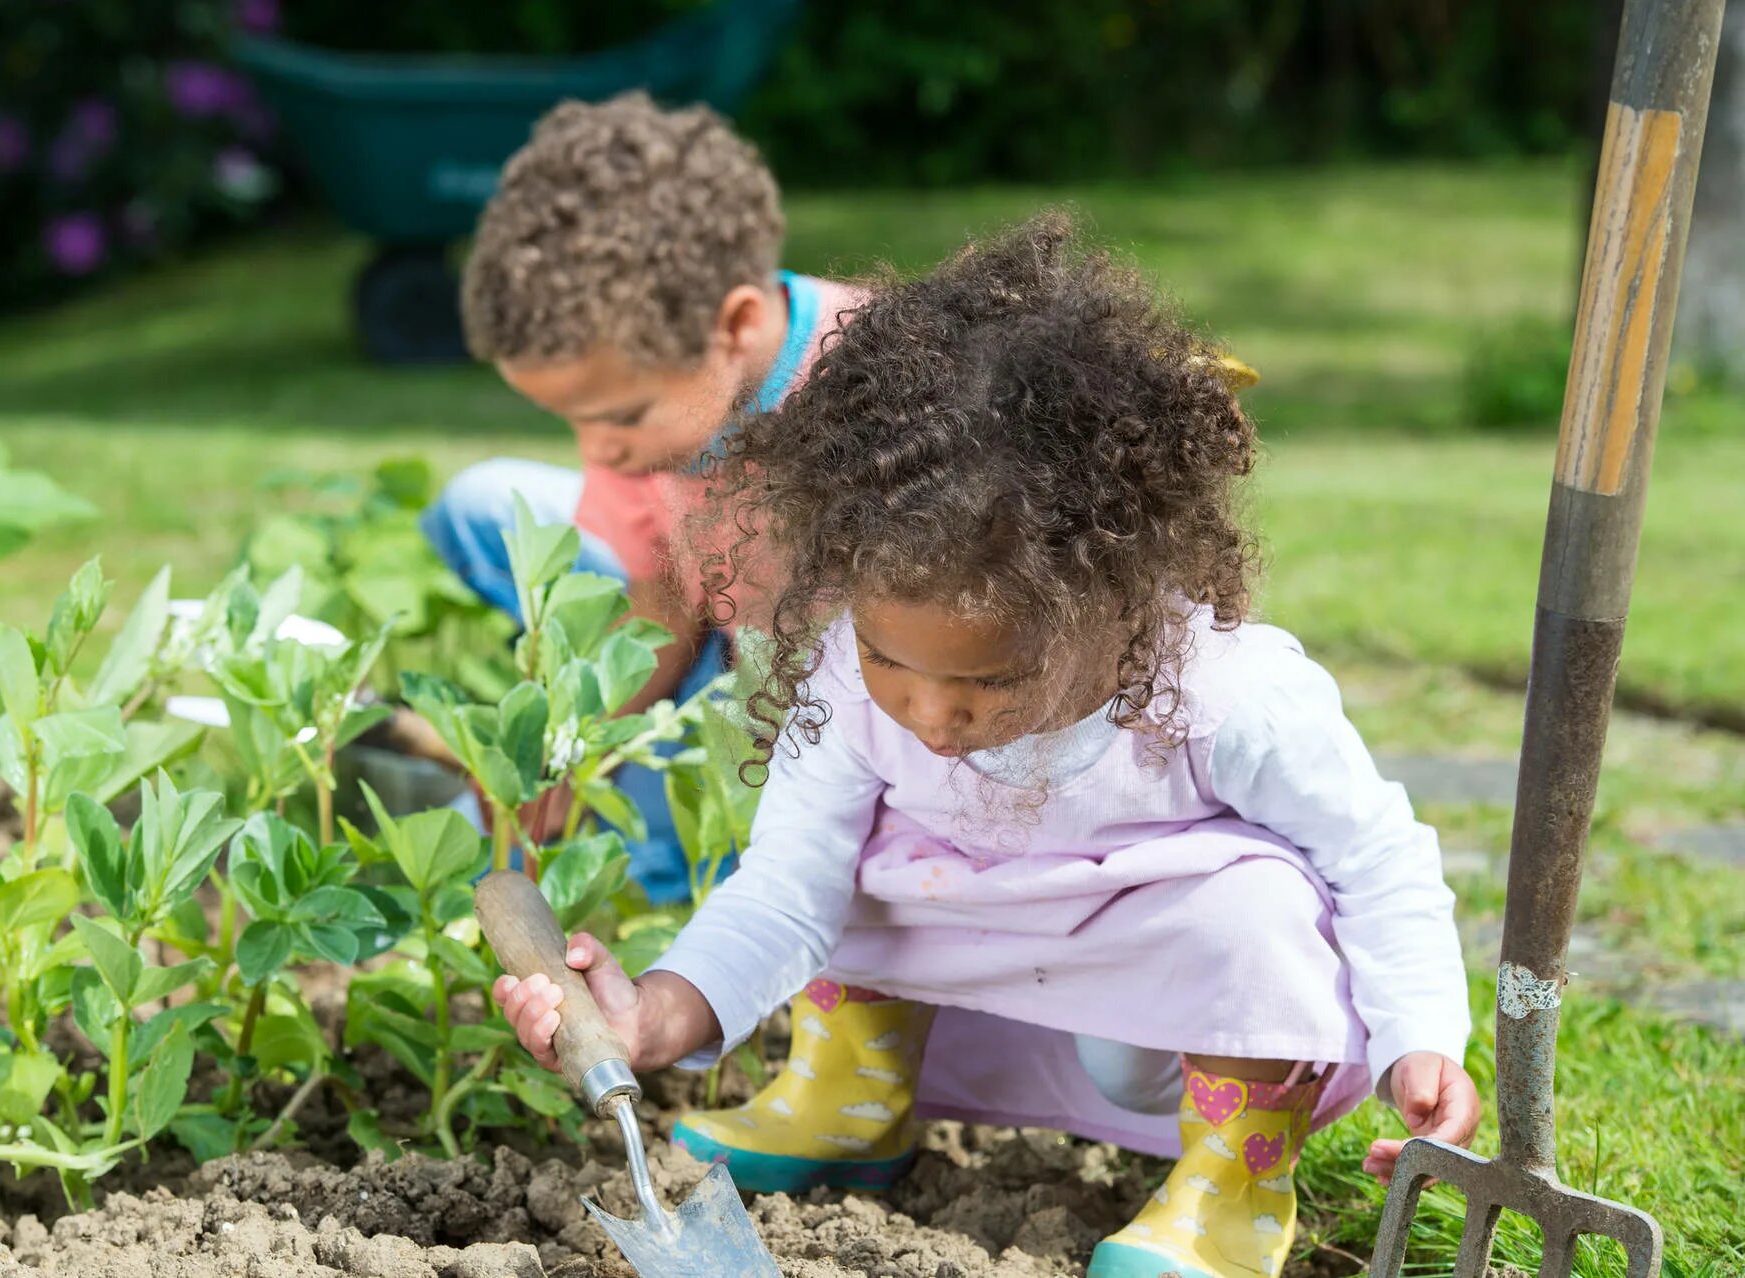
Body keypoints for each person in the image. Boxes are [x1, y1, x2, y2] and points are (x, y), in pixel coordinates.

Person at [492, 215, 1478, 1278]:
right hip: (976, 945)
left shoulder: (1225, 692)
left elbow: (1375, 860)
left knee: (1262, 904)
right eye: (887, 657)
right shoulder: (845, 671)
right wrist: (657, 1013)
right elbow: (783, 892)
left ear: (1116, 600)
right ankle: (852, 1099)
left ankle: (1233, 1186)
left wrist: (1421, 1039)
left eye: (990, 681)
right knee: (852, 861)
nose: (929, 714)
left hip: (1164, 992)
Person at [415, 92, 865, 904]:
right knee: (486, 508)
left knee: (702, 844)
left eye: (618, 417)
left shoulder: (874, 391)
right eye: (574, 421)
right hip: (736, 647)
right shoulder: (667, 405)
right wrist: (572, 750)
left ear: (734, 325)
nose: (598, 453)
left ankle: (675, 889)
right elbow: (660, 606)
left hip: (853, 703)